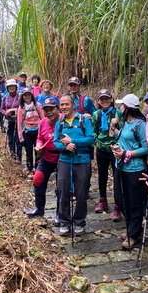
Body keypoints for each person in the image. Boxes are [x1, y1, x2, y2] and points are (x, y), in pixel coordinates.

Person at [111, 94, 148, 250]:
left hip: (135, 169)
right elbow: (124, 139)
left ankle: (133, 234)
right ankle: (133, 228)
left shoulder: (140, 125)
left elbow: (146, 147)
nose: (120, 109)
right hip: (121, 166)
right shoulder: (124, 123)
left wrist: (128, 153)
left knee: (134, 202)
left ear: (128, 108)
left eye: (122, 106)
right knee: (120, 200)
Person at [54, 94, 94, 237]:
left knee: (81, 192)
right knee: (63, 190)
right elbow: (56, 142)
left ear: (73, 105)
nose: (64, 107)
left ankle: (79, 221)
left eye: (67, 104)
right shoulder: (60, 122)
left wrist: (73, 141)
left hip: (82, 159)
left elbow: (90, 138)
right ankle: (65, 221)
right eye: (62, 104)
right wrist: (65, 147)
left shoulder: (84, 120)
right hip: (65, 160)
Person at [25, 98, 61, 217]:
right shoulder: (43, 122)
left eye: (52, 109)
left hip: (62, 157)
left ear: (58, 109)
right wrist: (39, 145)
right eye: (46, 110)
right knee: (38, 180)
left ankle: (60, 213)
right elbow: (40, 137)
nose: (49, 112)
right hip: (47, 156)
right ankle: (39, 209)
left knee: (61, 186)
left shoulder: (64, 120)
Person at [92, 89, 123, 220]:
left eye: (106, 98)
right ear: (98, 101)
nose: (104, 101)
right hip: (101, 149)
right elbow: (93, 131)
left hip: (115, 149)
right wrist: (96, 142)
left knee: (117, 177)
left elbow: (123, 131)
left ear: (111, 99)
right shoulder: (96, 114)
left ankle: (118, 206)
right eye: (101, 99)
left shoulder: (118, 113)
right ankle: (102, 200)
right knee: (102, 175)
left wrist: (116, 124)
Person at [17, 88, 43, 176]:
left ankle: (38, 168)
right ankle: (30, 169)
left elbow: (43, 119)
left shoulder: (37, 105)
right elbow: (19, 123)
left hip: (38, 131)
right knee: (29, 152)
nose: (27, 97)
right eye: (25, 95)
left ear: (31, 95)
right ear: (22, 97)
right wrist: (20, 137)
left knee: (38, 150)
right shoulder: (21, 108)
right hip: (27, 132)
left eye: (28, 94)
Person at [1, 79, 22, 162]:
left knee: (18, 138)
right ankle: (12, 153)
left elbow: (23, 107)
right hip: (9, 121)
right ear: (7, 88)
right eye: (10, 87)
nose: (11, 88)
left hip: (19, 120)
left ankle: (19, 156)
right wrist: (6, 112)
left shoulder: (20, 97)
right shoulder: (5, 98)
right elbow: (1, 109)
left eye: (13, 86)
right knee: (10, 138)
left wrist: (16, 110)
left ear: (16, 87)